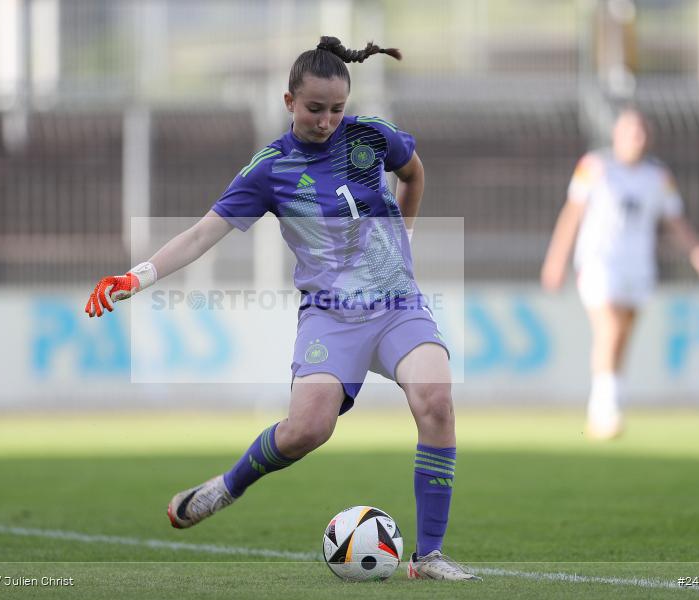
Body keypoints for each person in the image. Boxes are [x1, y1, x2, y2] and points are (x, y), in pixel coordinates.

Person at [85, 37, 479, 581]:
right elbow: (203, 235)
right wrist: (138, 276)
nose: (326, 120)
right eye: (315, 109)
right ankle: (226, 487)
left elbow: (413, 173)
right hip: (330, 315)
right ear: (289, 101)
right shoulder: (270, 169)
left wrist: (403, 235)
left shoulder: (371, 137)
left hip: (396, 304)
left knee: (436, 401)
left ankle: (429, 556)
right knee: (306, 430)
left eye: (336, 109)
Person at [541, 108, 699, 440]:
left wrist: (697, 251)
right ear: (617, 135)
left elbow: (674, 219)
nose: (637, 138)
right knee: (608, 328)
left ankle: (609, 404)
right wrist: (556, 259)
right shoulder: (594, 167)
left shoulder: (658, 176)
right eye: (631, 132)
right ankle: (604, 409)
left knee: (623, 335)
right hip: (598, 263)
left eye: (642, 132)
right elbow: (572, 213)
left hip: (638, 266)